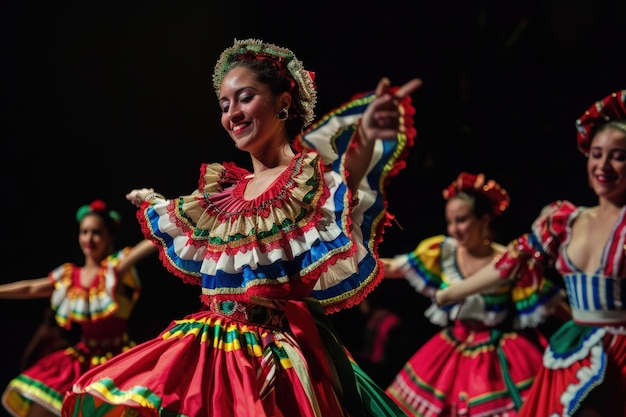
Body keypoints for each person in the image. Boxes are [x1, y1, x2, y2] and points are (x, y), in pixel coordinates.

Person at [61, 38, 422, 417]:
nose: (232, 112)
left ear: (283, 103)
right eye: (224, 104)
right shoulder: (223, 196)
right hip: (212, 348)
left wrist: (369, 133)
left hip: (273, 360)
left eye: (245, 97)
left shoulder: (306, 181)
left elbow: (348, 177)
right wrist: (153, 202)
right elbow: (183, 217)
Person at [436, 90, 626, 416]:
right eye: (596, 154)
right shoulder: (564, 220)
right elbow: (509, 264)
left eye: (618, 156)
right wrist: (452, 293)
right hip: (575, 350)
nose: (603, 165)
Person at [380, 172, 565, 416]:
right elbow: (395, 267)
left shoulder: (507, 259)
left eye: (462, 220)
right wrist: (351, 260)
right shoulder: (443, 252)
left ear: (484, 220)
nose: (454, 229)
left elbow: (551, 302)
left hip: (498, 354)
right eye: (450, 221)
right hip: (451, 346)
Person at [0, 199, 157, 417]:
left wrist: (174, 222)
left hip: (117, 359)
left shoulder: (114, 270)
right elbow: (31, 288)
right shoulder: (70, 277)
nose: (89, 239)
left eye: (96, 233)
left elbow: (146, 245)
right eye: (84, 232)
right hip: (81, 358)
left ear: (110, 236)